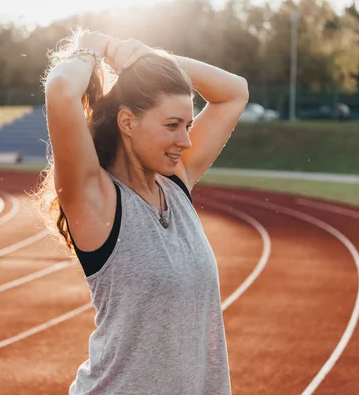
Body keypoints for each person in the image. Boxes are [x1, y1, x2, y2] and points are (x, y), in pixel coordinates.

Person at [35, 28, 249, 394]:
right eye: (172, 125)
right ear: (128, 122)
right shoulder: (96, 200)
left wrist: (150, 59)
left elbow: (234, 92)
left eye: (188, 125)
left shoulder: (175, 185)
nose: (185, 140)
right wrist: (95, 46)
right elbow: (60, 90)